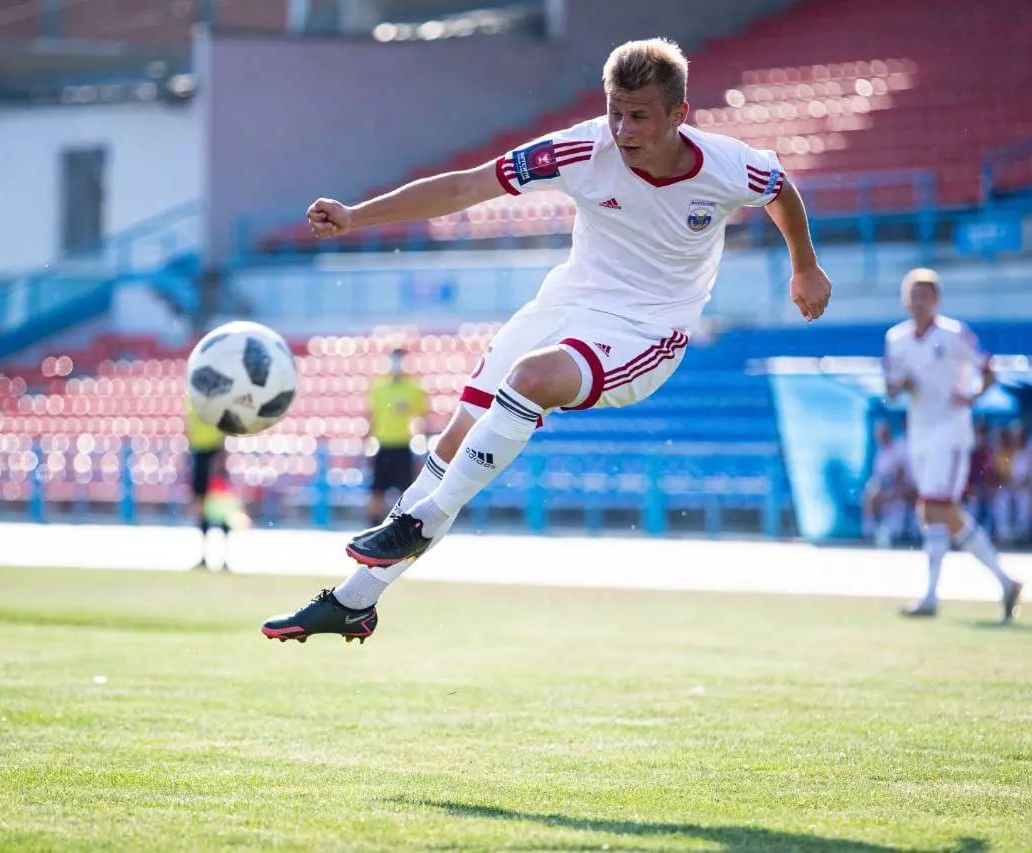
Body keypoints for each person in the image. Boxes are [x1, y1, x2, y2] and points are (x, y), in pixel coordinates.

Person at [261, 37, 833, 643]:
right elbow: (465, 188)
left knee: (529, 381)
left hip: (648, 328)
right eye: (615, 112)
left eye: (639, 116)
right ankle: (355, 600)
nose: (623, 129)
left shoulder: (726, 164)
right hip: (564, 305)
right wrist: (355, 216)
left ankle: (423, 519)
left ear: (678, 114)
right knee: (455, 442)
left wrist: (805, 267)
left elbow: (780, 190)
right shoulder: (581, 148)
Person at [882, 268, 1022, 622]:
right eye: (914, 294)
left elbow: (988, 368)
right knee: (935, 512)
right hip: (919, 430)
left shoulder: (954, 333)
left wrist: (972, 396)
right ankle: (1004, 582)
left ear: (937, 300)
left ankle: (933, 596)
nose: (919, 301)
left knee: (936, 506)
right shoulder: (896, 339)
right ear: (905, 299)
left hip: (951, 430)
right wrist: (901, 386)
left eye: (925, 295)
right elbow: (890, 388)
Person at [366, 348, 429, 527]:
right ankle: (373, 527)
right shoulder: (378, 388)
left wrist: (421, 442)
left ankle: (402, 528)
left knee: (405, 491)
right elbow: (372, 417)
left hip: (403, 445)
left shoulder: (414, 388)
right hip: (383, 445)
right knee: (377, 491)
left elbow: (422, 418)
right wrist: (367, 443)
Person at [186, 400, 226, 571]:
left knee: (222, 509)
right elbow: (189, 429)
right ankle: (203, 556)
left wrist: (220, 458)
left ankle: (224, 557)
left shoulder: (217, 402)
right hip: (198, 455)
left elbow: (223, 429)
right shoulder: (192, 401)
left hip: (213, 455)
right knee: (201, 509)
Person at [862, 420, 913, 547]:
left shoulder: (899, 447)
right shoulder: (879, 455)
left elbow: (900, 472)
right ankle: (870, 531)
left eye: (884, 434)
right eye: (879, 435)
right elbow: (878, 477)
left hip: (903, 486)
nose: (882, 437)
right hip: (886, 488)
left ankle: (896, 532)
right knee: (869, 494)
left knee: (893, 499)